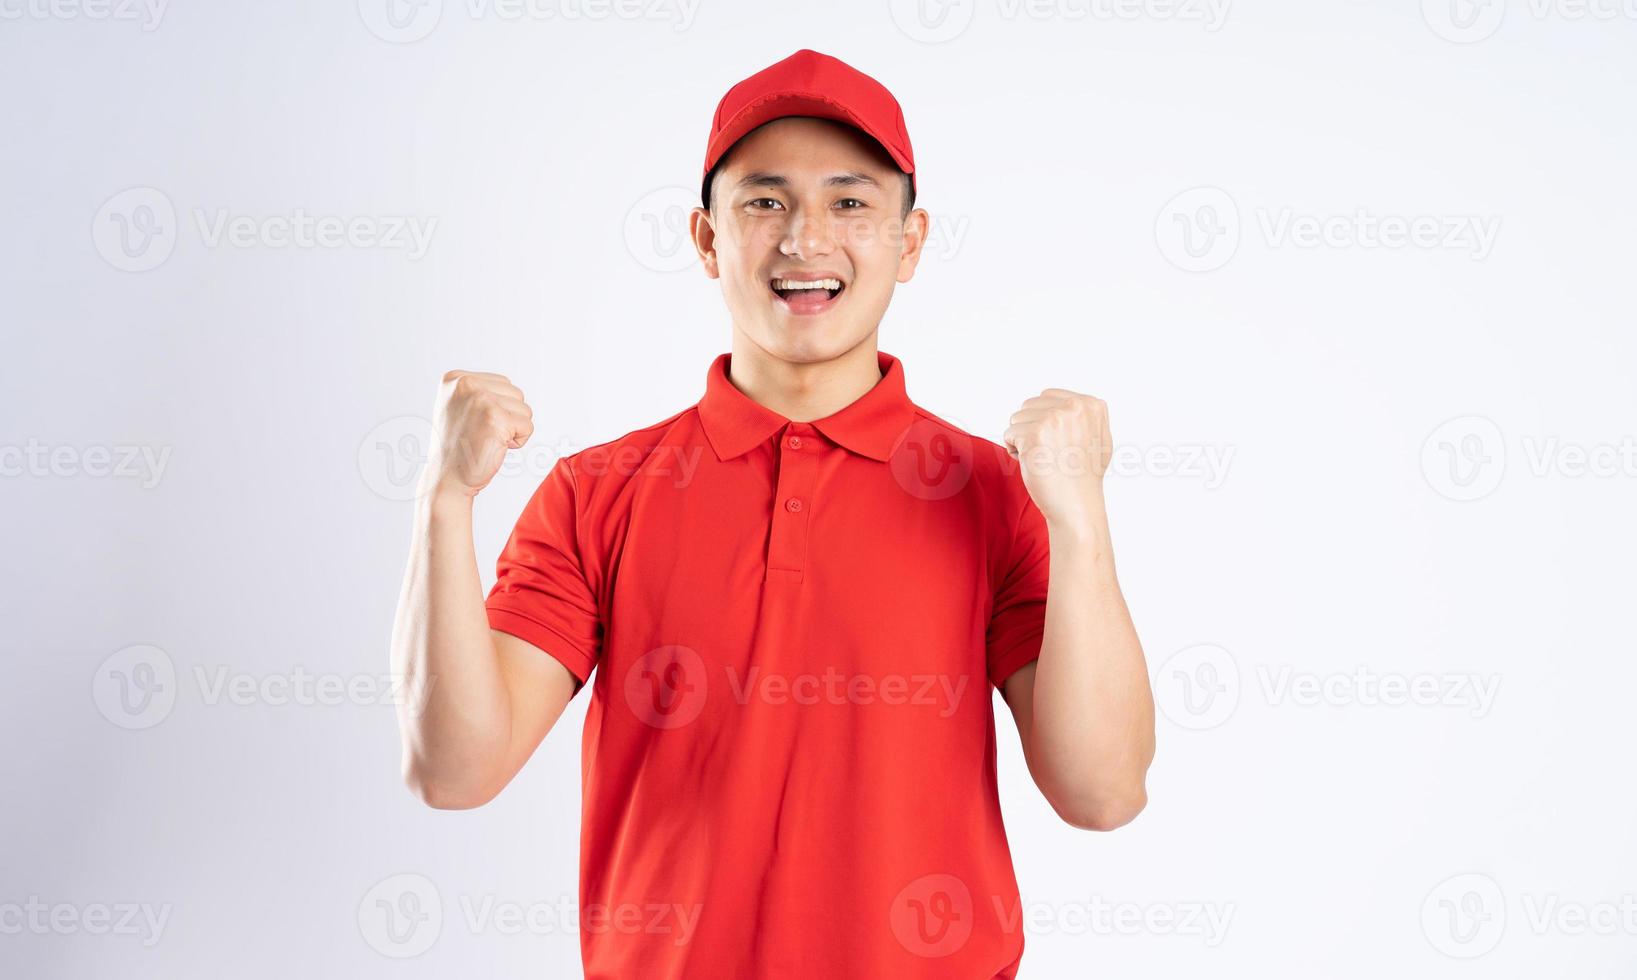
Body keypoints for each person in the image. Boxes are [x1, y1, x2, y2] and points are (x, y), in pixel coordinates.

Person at [391, 48, 1155, 979]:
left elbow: (1103, 792)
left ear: (908, 243)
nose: (804, 238)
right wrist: (443, 501)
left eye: (849, 202)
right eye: (763, 201)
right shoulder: (599, 490)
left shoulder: (992, 492)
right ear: (707, 240)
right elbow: (455, 771)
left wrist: (1079, 521)